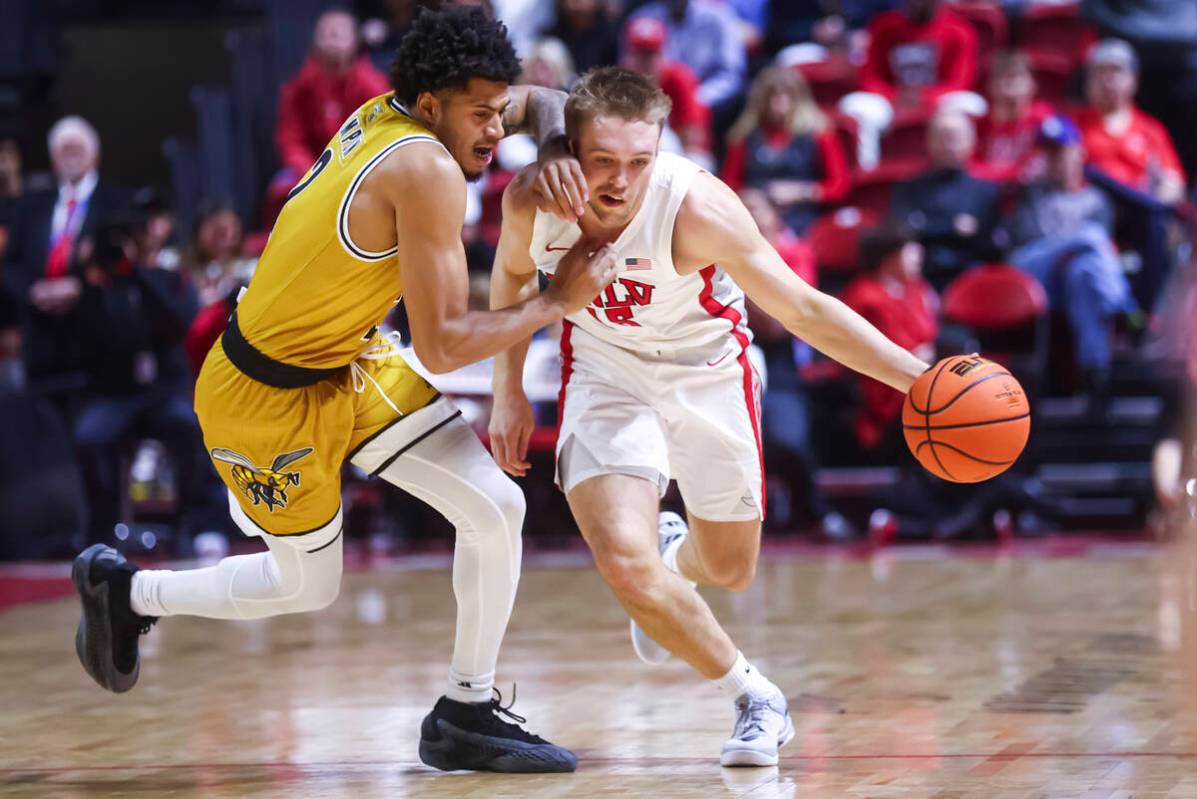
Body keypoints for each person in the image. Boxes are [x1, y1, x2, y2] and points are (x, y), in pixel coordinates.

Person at [70, 6, 617, 775]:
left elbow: (541, 99)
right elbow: (442, 341)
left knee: (498, 505)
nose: (497, 131)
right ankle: (127, 592)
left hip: (348, 359)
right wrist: (556, 301)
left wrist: (555, 142)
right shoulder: (424, 168)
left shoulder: (395, 108)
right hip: (261, 392)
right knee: (306, 585)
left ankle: (466, 708)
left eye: (499, 113)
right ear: (431, 107)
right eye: (482, 115)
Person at [489, 67, 929, 765]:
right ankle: (755, 696)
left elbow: (804, 308)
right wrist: (507, 386)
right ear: (568, 148)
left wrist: (919, 379)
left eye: (639, 161)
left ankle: (677, 557)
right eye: (602, 160)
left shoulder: (698, 207)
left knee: (729, 568)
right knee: (623, 564)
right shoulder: (531, 202)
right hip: (603, 369)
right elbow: (511, 278)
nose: (620, 180)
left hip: (705, 369)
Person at [2, 116, 132, 394]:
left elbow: (129, 266)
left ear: (95, 155)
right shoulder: (30, 207)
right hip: (42, 345)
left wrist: (80, 287)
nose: (71, 153)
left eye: (78, 147)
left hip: (99, 342)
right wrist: (32, 291)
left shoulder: (118, 204)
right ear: (52, 157)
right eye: (64, 148)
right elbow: (10, 265)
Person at [1007, 114, 1135, 392]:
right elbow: (1027, 246)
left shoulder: (1096, 200)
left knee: (1084, 271)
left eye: (1060, 151)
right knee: (1090, 238)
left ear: (1079, 153)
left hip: (1074, 281)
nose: (1054, 159)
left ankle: (1094, 368)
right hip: (1034, 274)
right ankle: (1126, 307)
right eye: (1048, 152)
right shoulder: (1031, 193)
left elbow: (1096, 257)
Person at [841, 222, 938, 454]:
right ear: (888, 256)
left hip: (924, 378)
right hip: (886, 388)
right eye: (910, 249)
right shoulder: (864, 297)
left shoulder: (917, 289)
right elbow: (886, 352)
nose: (919, 255)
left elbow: (929, 336)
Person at [722, 66, 850, 234]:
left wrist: (801, 191)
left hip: (803, 218)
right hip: (755, 217)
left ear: (799, 98)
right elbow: (728, 185)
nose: (778, 105)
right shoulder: (743, 136)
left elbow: (840, 185)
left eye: (785, 96)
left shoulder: (819, 134)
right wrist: (749, 195)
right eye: (772, 97)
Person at [889, 111, 1002, 290]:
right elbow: (902, 231)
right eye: (942, 138)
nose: (949, 146)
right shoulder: (909, 187)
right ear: (929, 142)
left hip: (970, 276)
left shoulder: (986, 191)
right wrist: (953, 228)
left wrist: (927, 226)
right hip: (922, 274)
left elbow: (993, 243)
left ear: (970, 143)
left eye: (955, 138)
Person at [275, 9, 391, 179]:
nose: (332, 42)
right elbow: (291, 140)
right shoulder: (299, 88)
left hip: (361, 170)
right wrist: (313, 174)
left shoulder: (374, 86)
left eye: (339, 34)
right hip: (311, 172)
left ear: (355, 41)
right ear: (314, 41)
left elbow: (384, 135)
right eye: (326, 34)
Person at [974, 50, 1053, 185]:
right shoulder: (979, 124)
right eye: (1003, 78)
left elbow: (1040, 166)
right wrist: (1015, 173)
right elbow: (972, 170)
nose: (1010, 86)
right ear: (990, 85)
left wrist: (1001, 174)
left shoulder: (1042, 118)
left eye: (1017, 77)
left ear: (1033, 85)